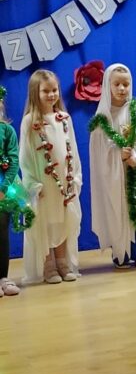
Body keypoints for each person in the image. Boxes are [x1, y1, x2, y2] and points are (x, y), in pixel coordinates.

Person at [89, 63, 136, 268]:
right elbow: (100, 152)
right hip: (114, 176)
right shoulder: (102, 119)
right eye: (116, 84)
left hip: (134, 171)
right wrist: (117, 155)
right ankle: (121, 254)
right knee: (117, 211)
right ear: (108, 85)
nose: (121, 88)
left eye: (125, 84)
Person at [20, 69, 82, 284]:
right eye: (46, 91)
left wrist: (75, 177)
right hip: (44, 183)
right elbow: (25, 156)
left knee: (63, 220)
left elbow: (73, 150)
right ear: (35, 93)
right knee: (46, 221)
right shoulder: (30, 122)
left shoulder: (64, 119)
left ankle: (63, 262)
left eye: (54, 90)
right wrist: (32, 184)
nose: (51, 94)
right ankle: (48, 264)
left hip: (64, 182)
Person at [0, 86, 21, 296]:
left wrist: (4, 188)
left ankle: (3, 277)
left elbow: (13, 160)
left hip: (3, 189)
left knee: (2, 230)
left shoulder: (7, 131)